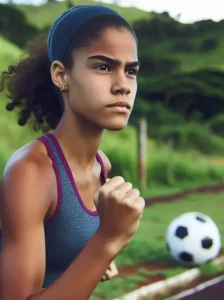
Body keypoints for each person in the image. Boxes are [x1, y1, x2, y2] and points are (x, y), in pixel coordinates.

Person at [0, 4, 144, 300]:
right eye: (103, 66)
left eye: (130, 71)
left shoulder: (101, 165)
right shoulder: (31, 171)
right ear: (61, 75)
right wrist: (107, 240)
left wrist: (96, 258)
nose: (123, 86)